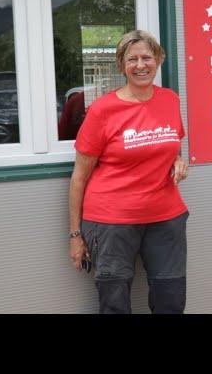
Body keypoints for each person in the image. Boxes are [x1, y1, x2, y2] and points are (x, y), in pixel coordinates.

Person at [68, 30, 189, 314]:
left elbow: (170, 144)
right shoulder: (103, 110)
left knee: (170, 300)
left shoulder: (170, 100)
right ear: (122, 65)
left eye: (147, 57)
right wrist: (75, 235)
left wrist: (178, 161)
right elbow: (79, 176)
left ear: (158, 59)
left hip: (166, 217)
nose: (140, 65)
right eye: (132, 59)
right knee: (114, 304)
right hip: (111, 222)